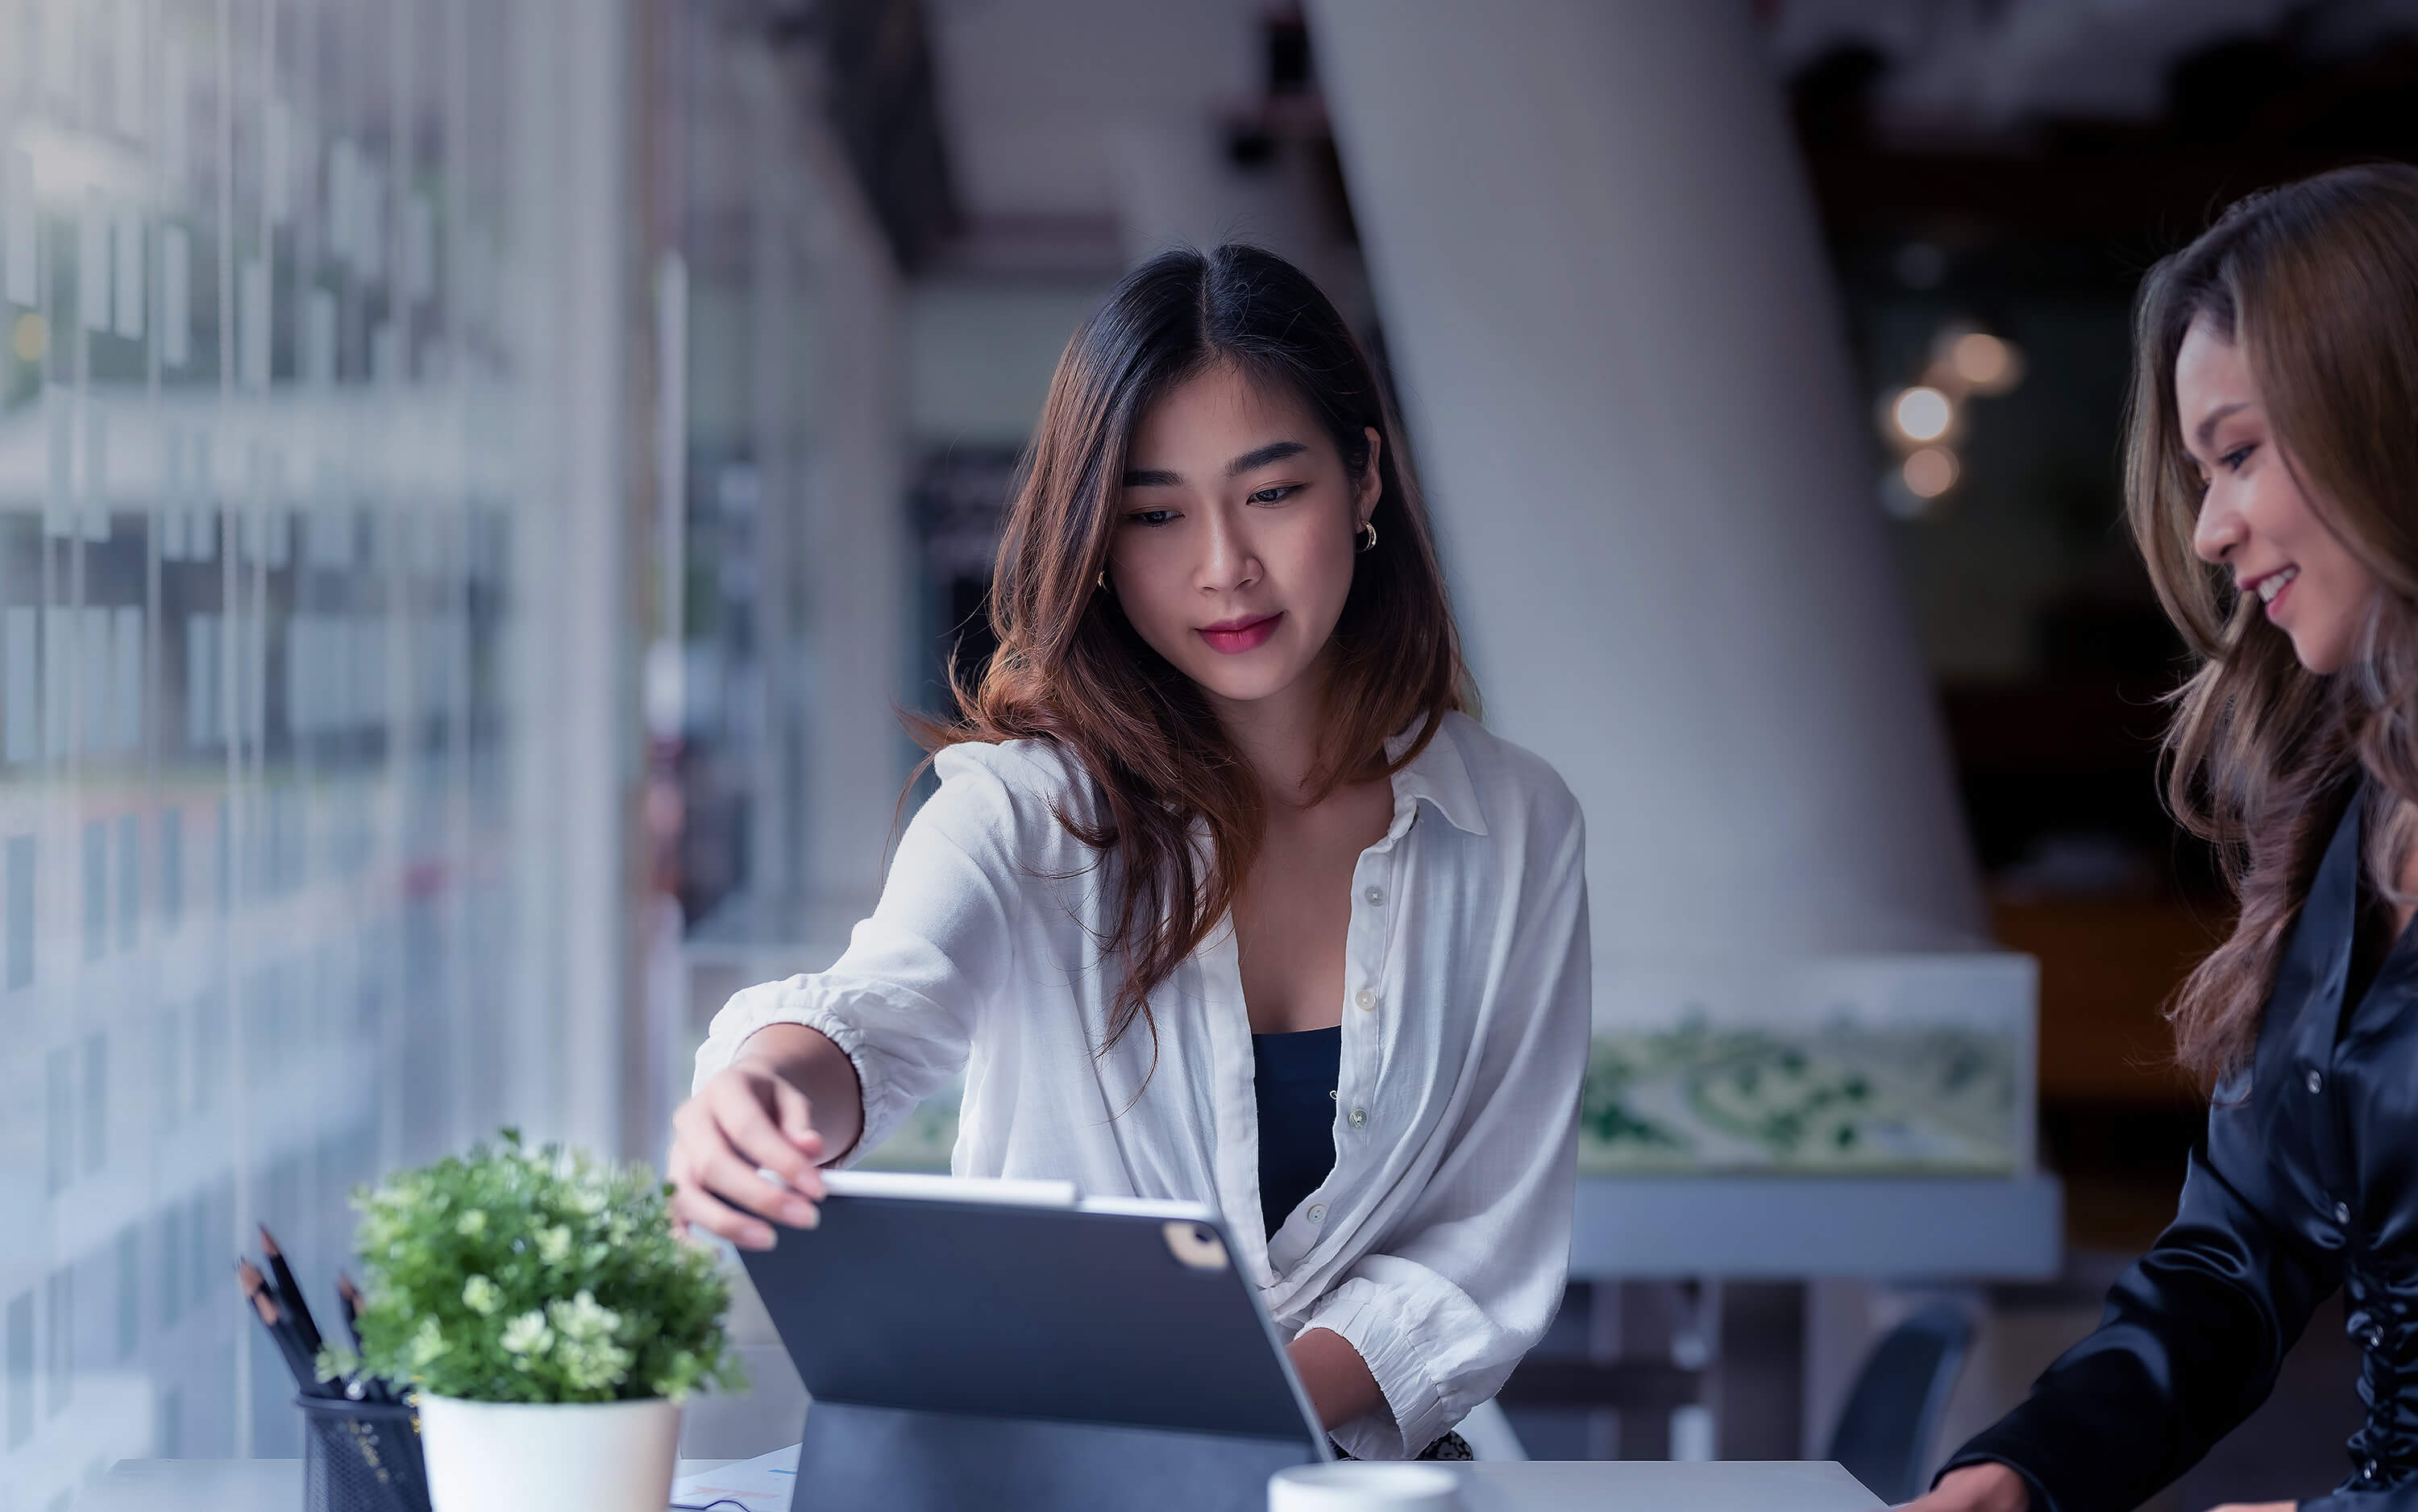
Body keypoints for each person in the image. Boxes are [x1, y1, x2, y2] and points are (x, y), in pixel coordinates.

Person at [666, 243, 1592, 1462]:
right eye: (1156, 513)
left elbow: (1482, 1242)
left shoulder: (1517, 827)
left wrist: (1234, 1412)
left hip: (1356, 1483)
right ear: (1097, 540)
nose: (1224, 567)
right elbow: (878, 1010)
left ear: (1365, 479)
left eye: (1272, 492)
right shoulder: (1019, 808)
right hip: (1041, 1480)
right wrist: (766, 1094)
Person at [1912, 164, 2418, 1512]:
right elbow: (2239, 1247)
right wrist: (2026, 1467)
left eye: (2241, 452)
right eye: (2203, 472)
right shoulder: (2353, 815)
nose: (2210, 529)